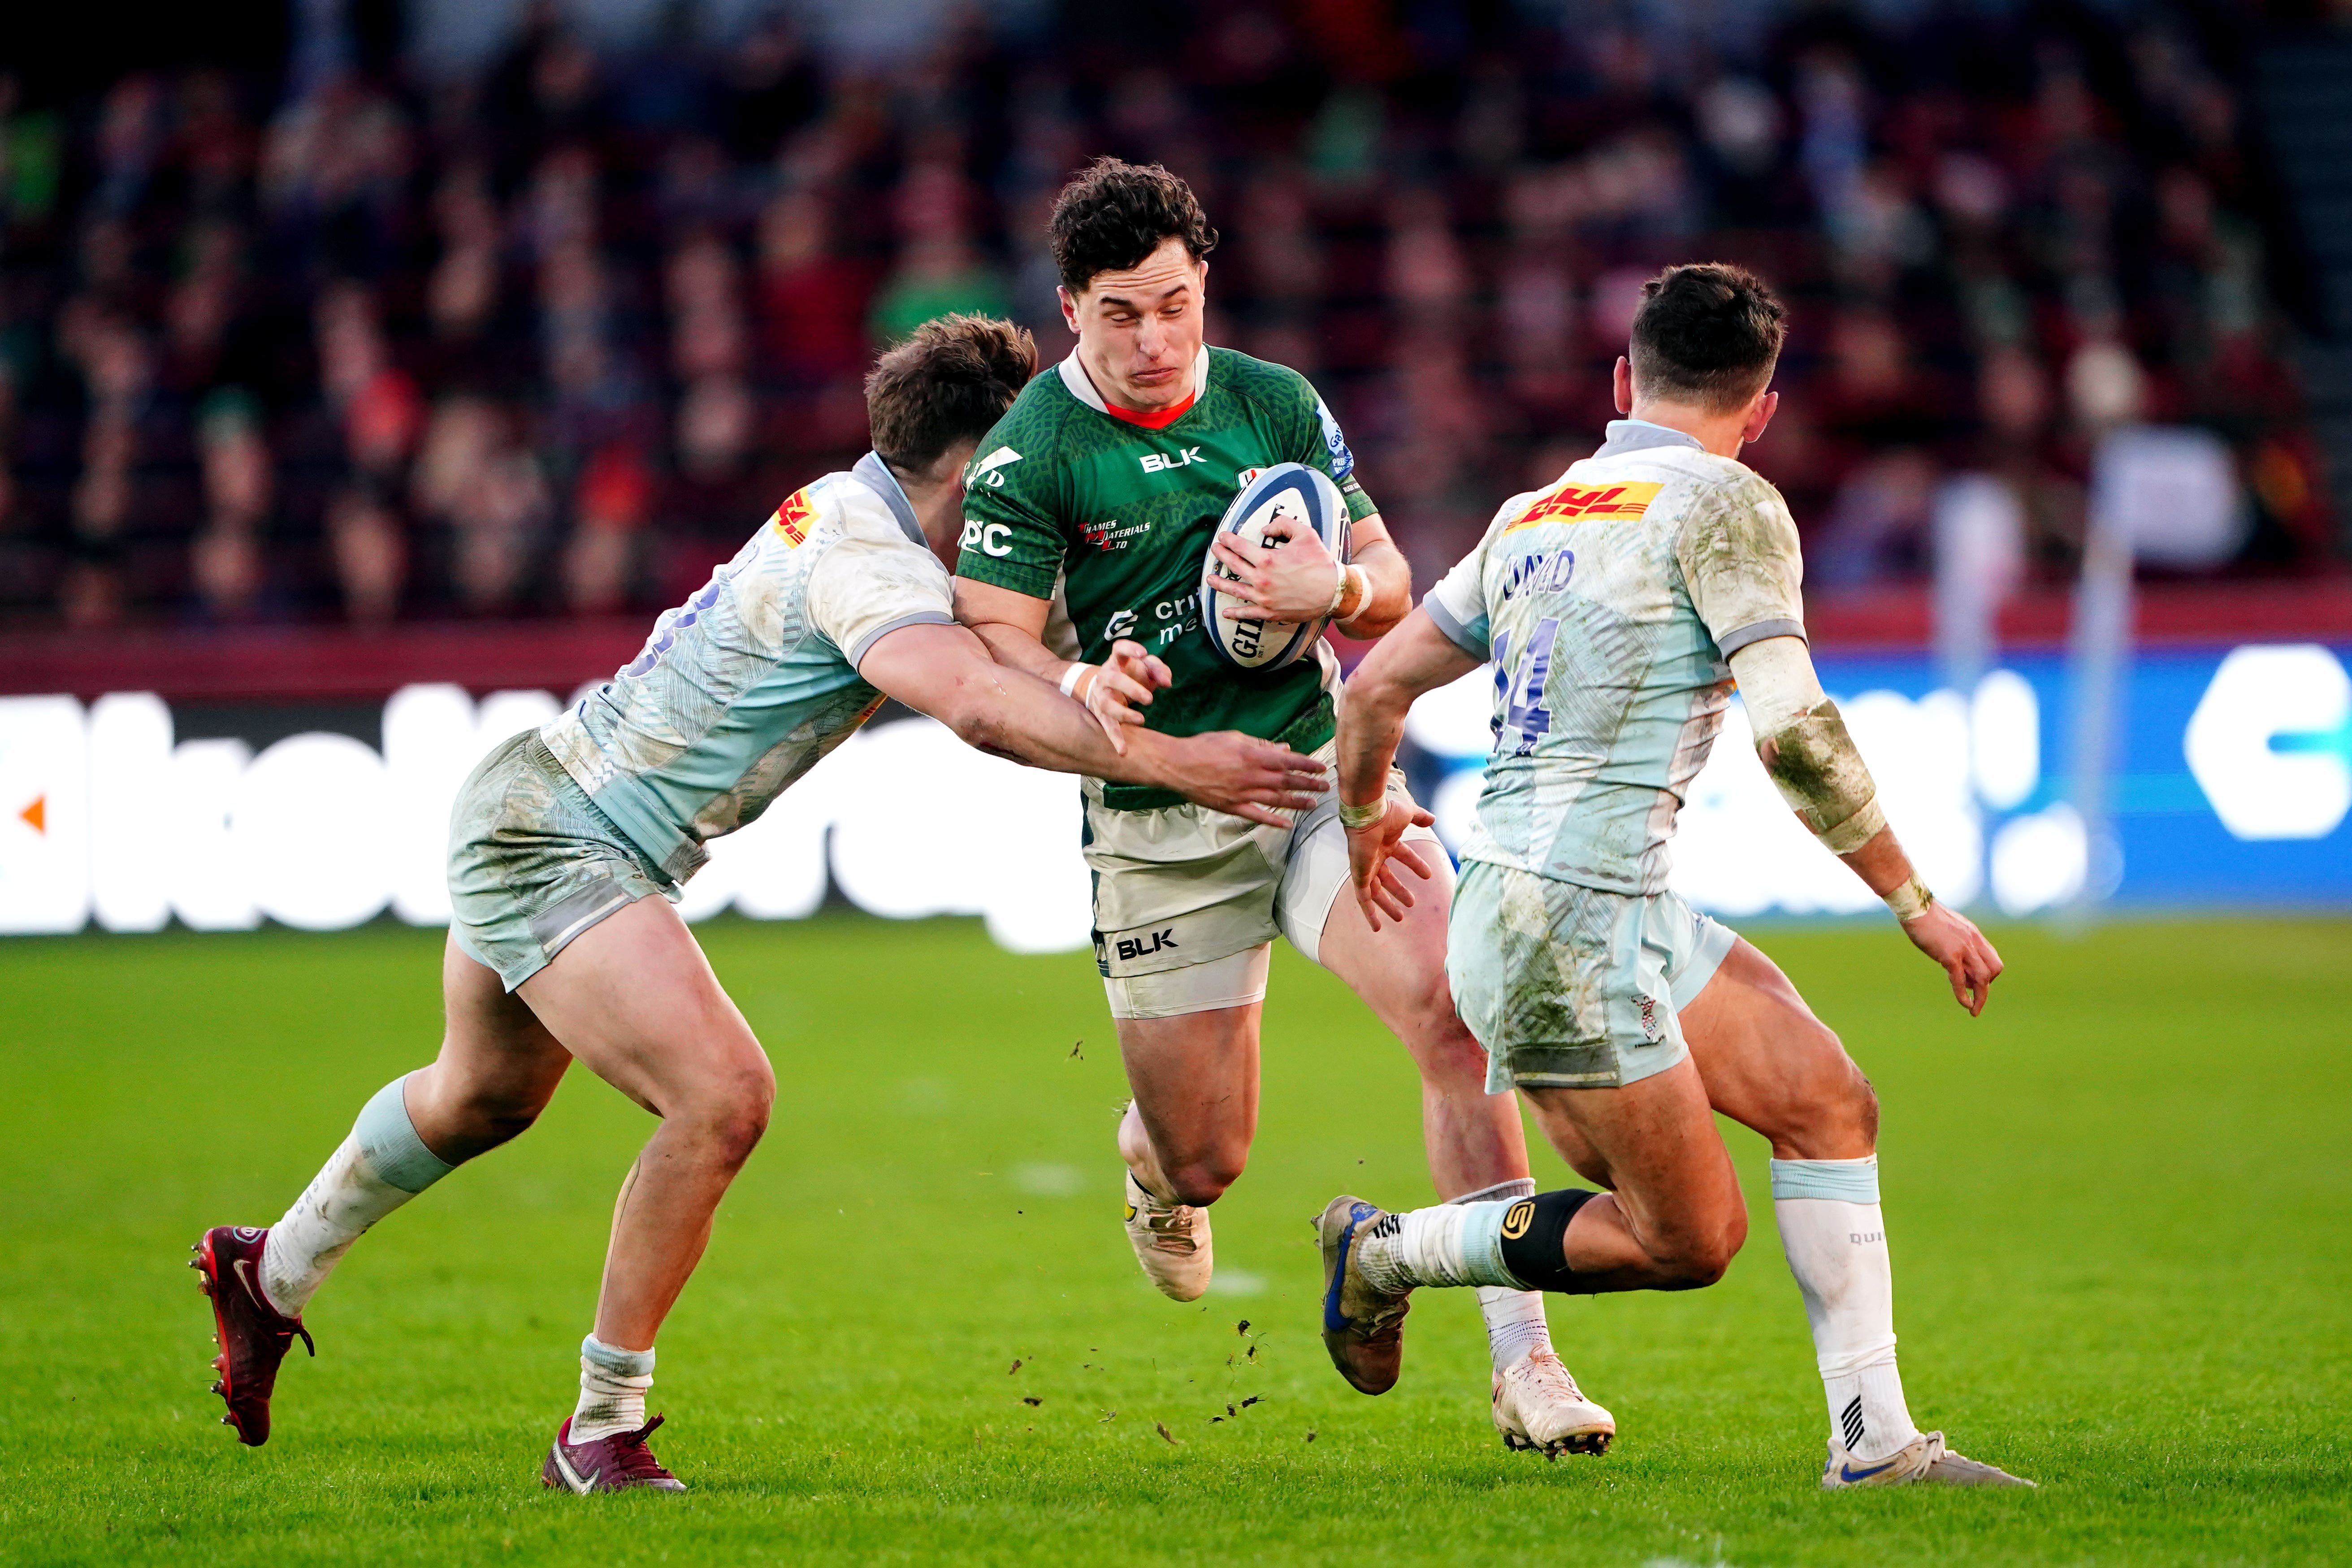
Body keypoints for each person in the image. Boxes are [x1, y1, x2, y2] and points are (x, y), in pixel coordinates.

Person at [192, 315, 1327, 1492]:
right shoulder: (862, 552)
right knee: (722, 1096)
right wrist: (1177, 761)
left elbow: (1034, 643)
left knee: (476, 1098)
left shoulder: (890, 527)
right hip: (563, 834)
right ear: (973, 463)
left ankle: (267, 1271)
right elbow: (980, 702)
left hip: (543, 800)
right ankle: (599, 1428)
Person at [1313, 264, 2033, 1490]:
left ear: (1620, 381)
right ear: (1761, 410)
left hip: (1580, 904)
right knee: (1688, 1238)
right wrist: (1918, 900)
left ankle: (1874, 1440)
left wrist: (1367, 811)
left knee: (1826, 1097)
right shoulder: (1730, 506)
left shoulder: (1532, 512)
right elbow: (1796, 729)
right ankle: (1385, 1251)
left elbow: (1374, 685)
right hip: (1569, 934)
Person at [949, 157, 1611, 1456]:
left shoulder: (1273, 401)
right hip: (1158, 824)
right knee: (1208, 1156)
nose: (1154, 339)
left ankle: (1525, 1362)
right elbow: (988, 640)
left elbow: (1383, 569)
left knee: (1456, 1006)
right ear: (1071, 306)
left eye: (1176, 305)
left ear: (1207, 288)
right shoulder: (1033, 447)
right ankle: (1153, 1167)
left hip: (1321, 781)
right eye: (1121, 314)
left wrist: (1341, 596)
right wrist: (1081, 678)